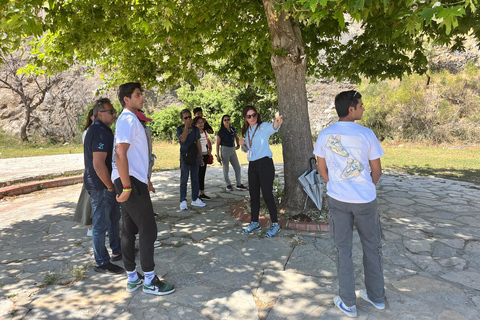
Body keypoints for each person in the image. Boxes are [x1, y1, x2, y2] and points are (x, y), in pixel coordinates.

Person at [313, 90, 385, 318]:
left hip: (339, 200)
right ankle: (377, 297)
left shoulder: (325, 135)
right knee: (372, 247)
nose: (363, 108)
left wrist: (338, 186)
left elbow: (322, 170)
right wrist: (365, 187)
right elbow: (377, 170)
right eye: (361, 105)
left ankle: (348, 303)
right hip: (365, 200)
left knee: (343, 249)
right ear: (351, 109)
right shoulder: (366, 134)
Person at [112, 82, 175, 296]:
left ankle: (132, 277)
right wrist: (128, 185)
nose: (142, 98)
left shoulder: (129, 119)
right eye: (138, 95)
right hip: (128, 180)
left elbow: (132, 155)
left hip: (131, 179)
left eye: (141, 94)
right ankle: (149, 280)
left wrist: (143, 178)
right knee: (149, 229)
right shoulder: (128, 119)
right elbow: (120, 153)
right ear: (126, 99)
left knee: (129, 229)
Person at [83, 98, 123, 274]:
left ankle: (117, 249)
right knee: (100, 223)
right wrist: (109, 186)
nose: (114, 114)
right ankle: (102, 261)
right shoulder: (99, 132)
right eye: (111, 111)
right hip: (101, 186)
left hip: (107, 185)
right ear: (100, 113)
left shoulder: (103, 131)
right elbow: (99, 165)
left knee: (114, 218)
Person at [239, 106, 283, 238]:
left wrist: (277, 122)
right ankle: (254, 222)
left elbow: (273, 128)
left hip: (265, 163)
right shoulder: (247, 131)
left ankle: (275, 224)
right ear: (245, 118)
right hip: (253, 164)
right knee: (254, 196)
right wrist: (242, 144)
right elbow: (247, 149)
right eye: (249, 116)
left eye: (254, 115)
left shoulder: (263, 126)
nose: (252, 118)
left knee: (267, 195)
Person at [177, 109, 207, 210]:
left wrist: (200, 156)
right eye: (186, 118)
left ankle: (195, 199)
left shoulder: (195, 129)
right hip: (185, 157)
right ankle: (183, 200)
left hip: (194, 156)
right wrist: (186, 126)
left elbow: (198, 142)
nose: (189, 119)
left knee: (195, 178)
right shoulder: (180, 129)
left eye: (190, 117)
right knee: (184, 179)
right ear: (182, 119)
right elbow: (183, 139)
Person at [74, 108, 94, 236]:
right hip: (92, 171)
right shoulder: (88, 132)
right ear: (91, 117)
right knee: (89, 201)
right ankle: (91, 227)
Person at [216, 114, 247, 192]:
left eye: (228, 119)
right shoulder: (221, 131)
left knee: (237, 167)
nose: (227, 121)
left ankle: (239, 184)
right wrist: (218, 155)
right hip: (225, 149)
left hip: (232, 149)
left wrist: (238, 145)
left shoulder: (233, 129)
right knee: (226, 168)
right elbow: (217, 143)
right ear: (222, 122)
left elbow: (236, 137)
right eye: (225, 120)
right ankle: (228, 184)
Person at [136, 110, 156, 193]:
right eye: (143, 122)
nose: (145, 124)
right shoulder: (137, 131)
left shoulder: (146, 129)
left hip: (147, 160)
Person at [193, 116, 212, 201]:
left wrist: (210, 150)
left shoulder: (205, 132)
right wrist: (200, 156)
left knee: (202, 174)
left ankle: (202, 193)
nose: (201, 124)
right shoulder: (194, 133)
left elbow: (209, 141)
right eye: (199, 123)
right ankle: (196, 194)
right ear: (195, 124)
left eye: (202, 122)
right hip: (198, 156)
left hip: (205, 155)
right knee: (197, 175)